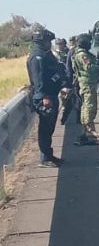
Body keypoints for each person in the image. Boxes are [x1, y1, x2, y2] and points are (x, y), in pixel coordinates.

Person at [27, 28, 66, 168]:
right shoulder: (37, 57)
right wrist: (44, 96)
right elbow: (38, 80)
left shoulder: (45, 54)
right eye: (48, 41)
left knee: (49, 128)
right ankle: (45, 158)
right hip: (45, 96)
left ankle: (49, 155)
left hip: (50, 94)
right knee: (45, 128)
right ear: (42, 41)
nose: (50, 43)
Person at [71, 33, 99, 140]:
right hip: (88, 83)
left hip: (86, 83)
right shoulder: (82, 55)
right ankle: (90, 129)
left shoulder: (80, 53)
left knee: (85, 106)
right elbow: (88, 67)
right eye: (89, 42)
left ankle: (85, 128)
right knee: (89, 106)